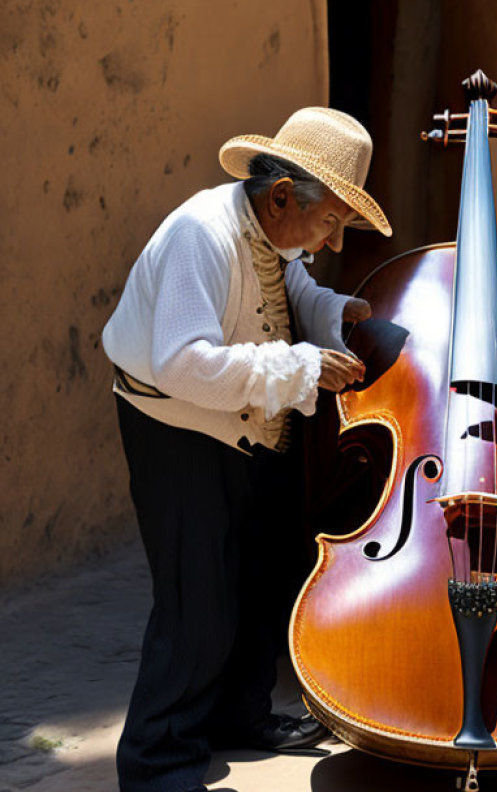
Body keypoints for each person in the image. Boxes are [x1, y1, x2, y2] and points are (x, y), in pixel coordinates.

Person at [102, 107, 392, 792]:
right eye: (331, 221)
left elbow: (288, 286)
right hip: (177, 423)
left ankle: (239, 714)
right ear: (283, 195)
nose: (333, 237)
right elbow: (180, 362)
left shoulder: (271, 230)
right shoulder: (201, 236)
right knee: (195, 595)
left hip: (242, 419)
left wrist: (332, 311)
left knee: (258, 575)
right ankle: (158, 758)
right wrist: (300, 368)